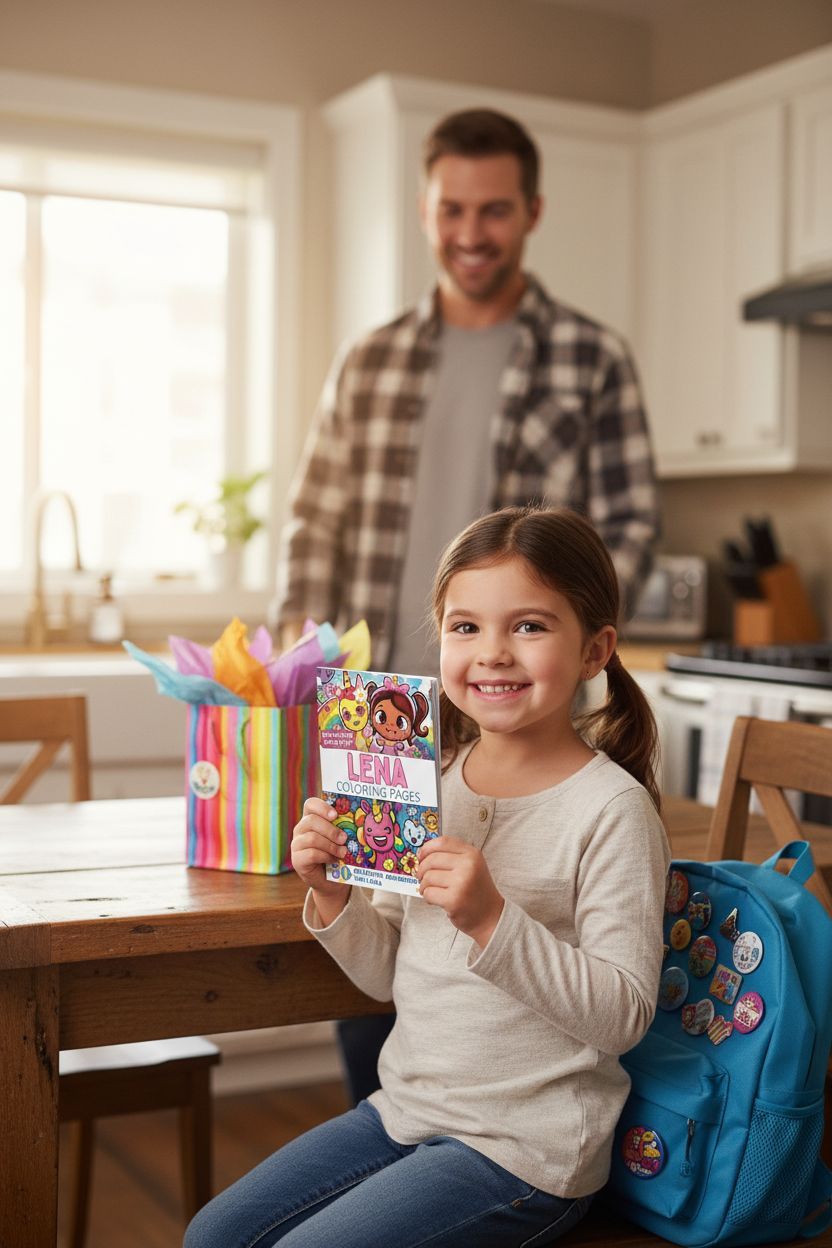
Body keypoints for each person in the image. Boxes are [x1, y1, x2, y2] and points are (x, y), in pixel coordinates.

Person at [272, 107, 660, 1101]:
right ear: (424, 210)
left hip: (518, 701)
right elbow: (314, 521)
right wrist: (302, 677)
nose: (471, 232)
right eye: (453, 209)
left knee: (510, 911)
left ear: (532, 212)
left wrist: (556, 630)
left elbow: (630, 525)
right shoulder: (370, 358)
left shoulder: (591, 356)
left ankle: (492, 1134)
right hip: (382, 705)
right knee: (385, 944)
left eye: (494, 210)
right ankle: (396, 1130)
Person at [187, 505, 670, 1248]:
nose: (493, 653)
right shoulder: (427, 778)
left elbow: (623, 1016)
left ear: (594, 650)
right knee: (212, 1236)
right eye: (465, 626)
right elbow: (386, 977)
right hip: (404, 1112)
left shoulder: (612, 810)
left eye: (529, 626)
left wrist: (490, 920)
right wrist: (334, 894)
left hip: (523, 1152)